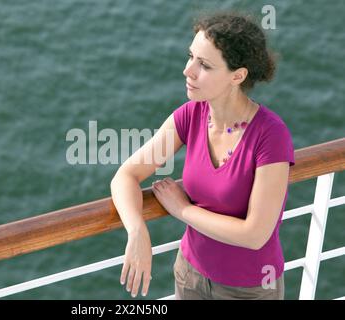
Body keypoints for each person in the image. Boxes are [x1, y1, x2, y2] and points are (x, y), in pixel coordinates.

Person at [110, 11, 295, 300]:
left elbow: (255, 234)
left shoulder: (270, 135)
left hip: (250, 289)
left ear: (238, 75)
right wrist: (137, 231)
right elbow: (126, 175)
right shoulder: (190, 116)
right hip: (190, 276)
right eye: (191, 56)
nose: (188, 70)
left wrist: (183, 210)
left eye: (205, 65)